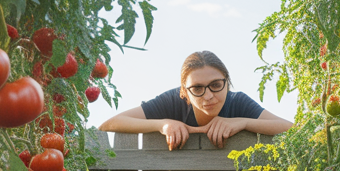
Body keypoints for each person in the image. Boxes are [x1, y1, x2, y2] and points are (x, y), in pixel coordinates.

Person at [99, 51, 293, 150]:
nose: (208, 96)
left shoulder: (237, 102)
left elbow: (291, 129)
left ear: (227, 82)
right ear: (184, 91)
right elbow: (109, 124)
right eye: (197, 88)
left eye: (216, 85)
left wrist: (243, 122)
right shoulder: (173, 101)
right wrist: (163, 125)